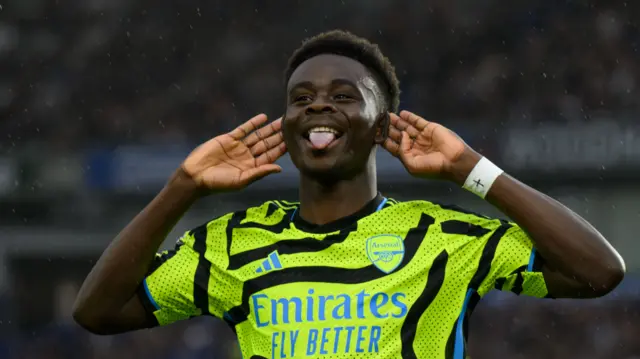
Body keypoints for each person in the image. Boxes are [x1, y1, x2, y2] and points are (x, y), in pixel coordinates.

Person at [73, 30, 625, 359]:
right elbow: (97, 312)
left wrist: (470, 169)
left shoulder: (441, 237)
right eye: (301, 97)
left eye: (344, 95)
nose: (318, 105)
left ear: (380, 127)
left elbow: (599, 272)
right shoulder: (231, 244)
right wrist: (182, 188)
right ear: (287, 124)